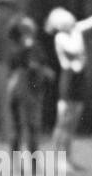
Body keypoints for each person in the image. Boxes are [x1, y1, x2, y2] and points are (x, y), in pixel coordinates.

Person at [45, 0, 92, 170]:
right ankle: (57, 158)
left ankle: (67, 158)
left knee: (73, 122)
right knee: (63, 122)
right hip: (68, 80)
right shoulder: (61, 37)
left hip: (79, 80)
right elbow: (74, 50)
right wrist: (79, 36)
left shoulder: (76, 30)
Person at [5, 15, 55, 154]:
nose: (33, 23)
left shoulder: (13, 45)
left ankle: (14, 164)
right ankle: (33, 165)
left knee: (16, 127)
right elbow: (33, 65)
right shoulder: (31, 44)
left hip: (13, 84)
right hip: (27, 85)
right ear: (24, 29)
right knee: (32, 125)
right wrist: (46, 71)